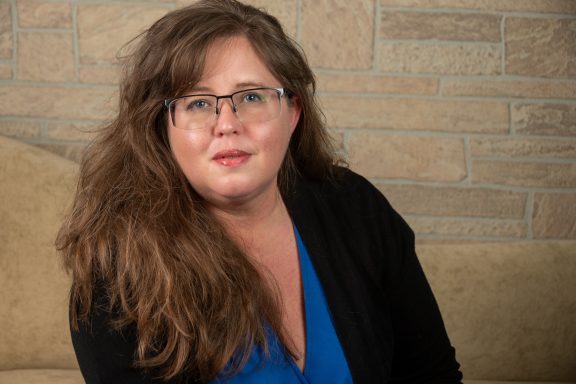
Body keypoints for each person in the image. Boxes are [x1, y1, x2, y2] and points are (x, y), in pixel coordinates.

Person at [56, 0, 463, 383]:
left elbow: (432, 375)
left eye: (252, 97)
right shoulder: (116, 277)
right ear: (161, 126)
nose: (227, 123)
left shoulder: (356, 207)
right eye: (198, 103)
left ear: (293, 113)